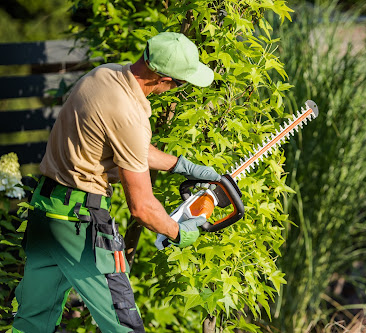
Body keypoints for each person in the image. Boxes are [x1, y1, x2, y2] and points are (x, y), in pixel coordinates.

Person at [12, 32, 220, 333]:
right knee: (124, 327)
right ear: (161, 78)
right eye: (179, 83)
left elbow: (126, 145)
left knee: (32, 323)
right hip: (80, 226)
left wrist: (181, 166)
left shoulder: (105, 76)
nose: (176, 89)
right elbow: (142, 207)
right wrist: (178, 232)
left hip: (46, 210)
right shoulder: (130, 114)